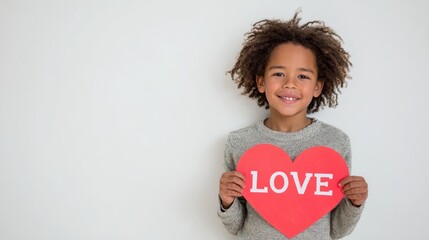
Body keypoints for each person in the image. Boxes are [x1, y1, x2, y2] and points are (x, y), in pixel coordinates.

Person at [217, 12, 368, 240]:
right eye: (279, 73)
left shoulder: (335, 142)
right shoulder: (240, 142)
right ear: (261, 81)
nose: (290, 84)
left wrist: (355, 203)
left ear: (317, 87)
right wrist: (226, 200)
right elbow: (236, 225)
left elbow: (337, 230)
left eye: (303, 77)